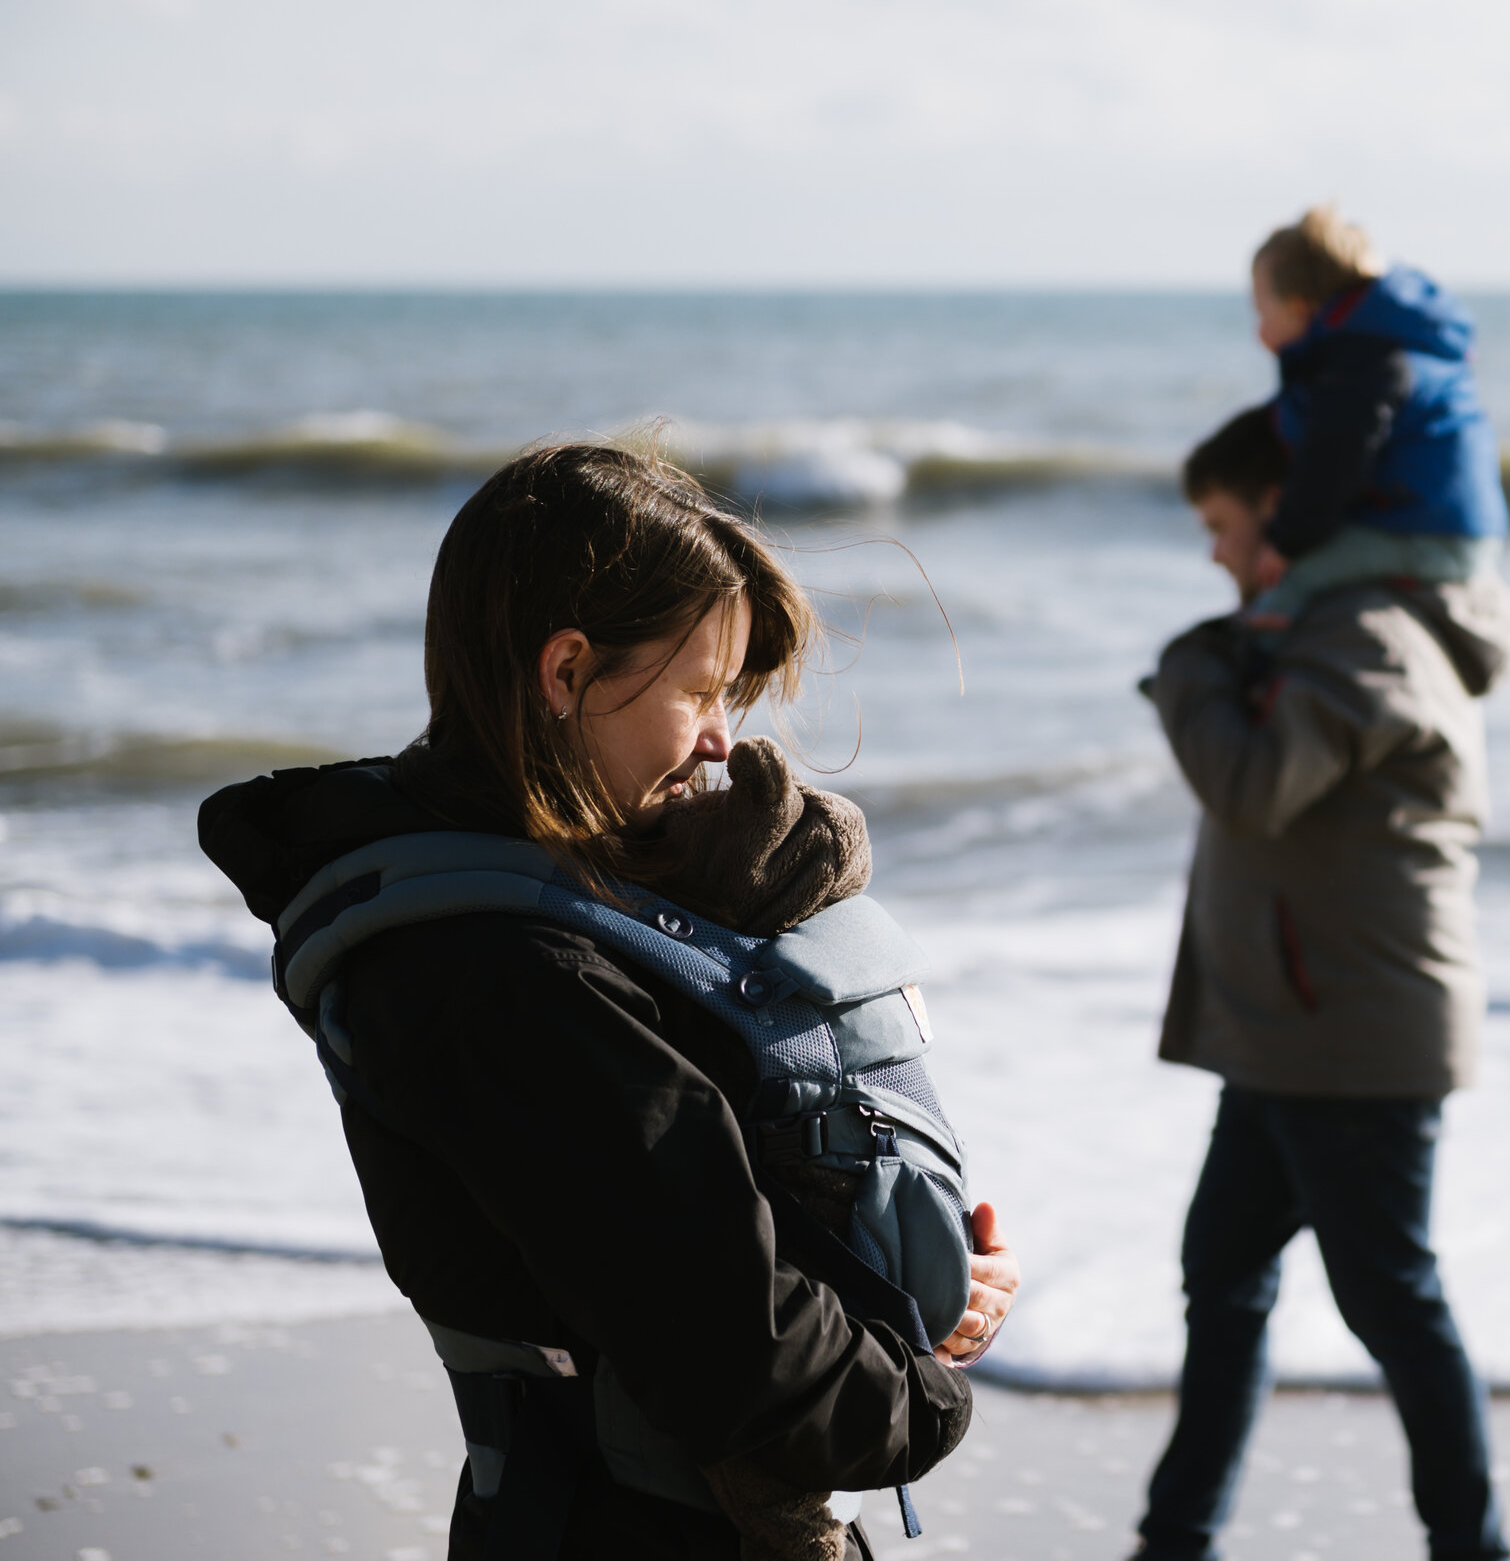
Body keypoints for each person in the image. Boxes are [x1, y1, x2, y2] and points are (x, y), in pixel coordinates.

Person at [198, 442, 1017, 1561]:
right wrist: (925, 1379)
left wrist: (922, 1271)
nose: (726, 739)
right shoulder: (503, 974)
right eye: (698, 690)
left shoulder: (554, 901)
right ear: (568, 670)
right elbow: (739, 1352)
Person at [1133, 408, 1510, 1561]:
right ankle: (1173, 1542)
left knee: (1391, 1303)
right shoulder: (1316, 631)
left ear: (1283, 509)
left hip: (1351, 1035)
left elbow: (1252, 784)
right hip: (1287, 1030)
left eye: (1220, 523)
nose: (1210, 551)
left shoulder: (1371, 639)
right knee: (1223, 1278)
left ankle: (1473, 1544)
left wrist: (1191, 665)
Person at [1242, 204, 1508, 632]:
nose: (1257, 331)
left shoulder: (1359, 363)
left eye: (1260, 311)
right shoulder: (1390, 341)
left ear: (1298, 309)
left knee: (1290, 582)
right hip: (1456, 530)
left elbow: (1333, 464)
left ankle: (1265, 673)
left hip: (1427, 539)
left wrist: (1285, 545)